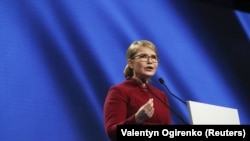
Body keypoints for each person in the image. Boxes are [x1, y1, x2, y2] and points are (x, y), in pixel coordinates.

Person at [103, 40, 171, 141]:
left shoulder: (161, 95)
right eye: (143, 56)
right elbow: (112, 133)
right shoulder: (118, 91)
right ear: (131, 63)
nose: (150, 61)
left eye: (154, 57)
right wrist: (136, 119)